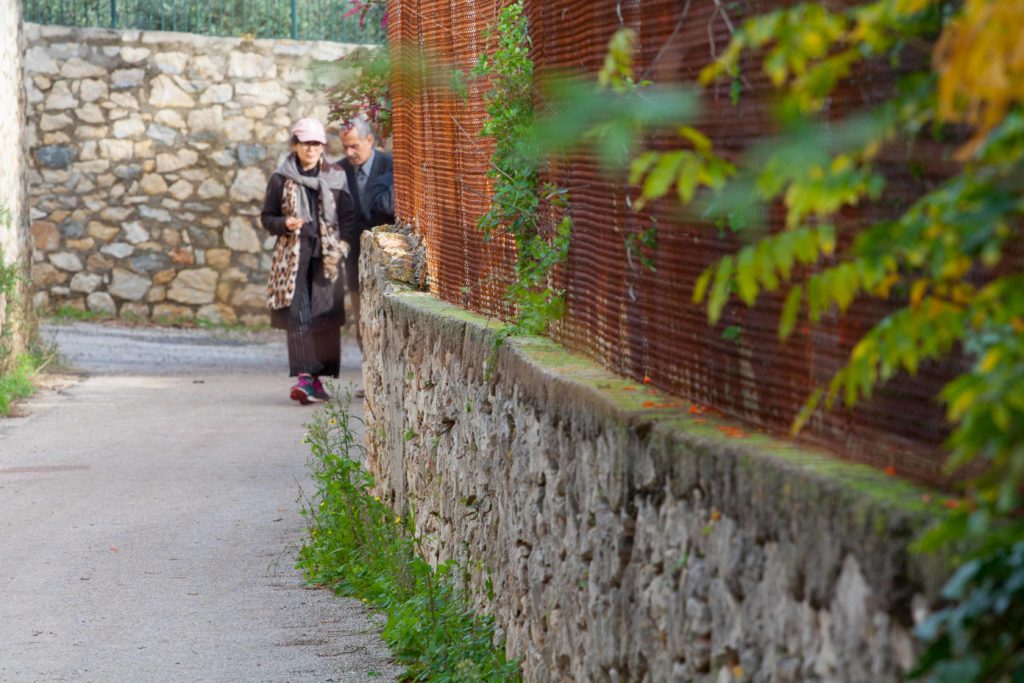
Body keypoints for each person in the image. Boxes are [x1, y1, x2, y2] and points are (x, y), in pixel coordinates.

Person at [261, 118, 357, 405]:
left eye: (316, 143)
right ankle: (305, 377)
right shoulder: (281, 178)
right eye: (306, 143)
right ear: (295, 145)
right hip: (293, 259)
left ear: (323, 146)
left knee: (323, 319)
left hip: (326, 258)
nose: (311, 148)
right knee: (298, 317)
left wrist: (343, 245)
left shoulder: (335, 175)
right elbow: (267, 217)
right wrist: (285, 223)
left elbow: (348, 218)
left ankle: (315, 381)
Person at [337, 118, 394, 352]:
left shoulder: (390, 165)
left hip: (387, 259)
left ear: (369, 140)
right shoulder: (339, 170)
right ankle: (368, 379)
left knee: (387, 322)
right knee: (363, 320)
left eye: (354, 146)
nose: (349, 152)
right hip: (354, 261)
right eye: (345, 147)